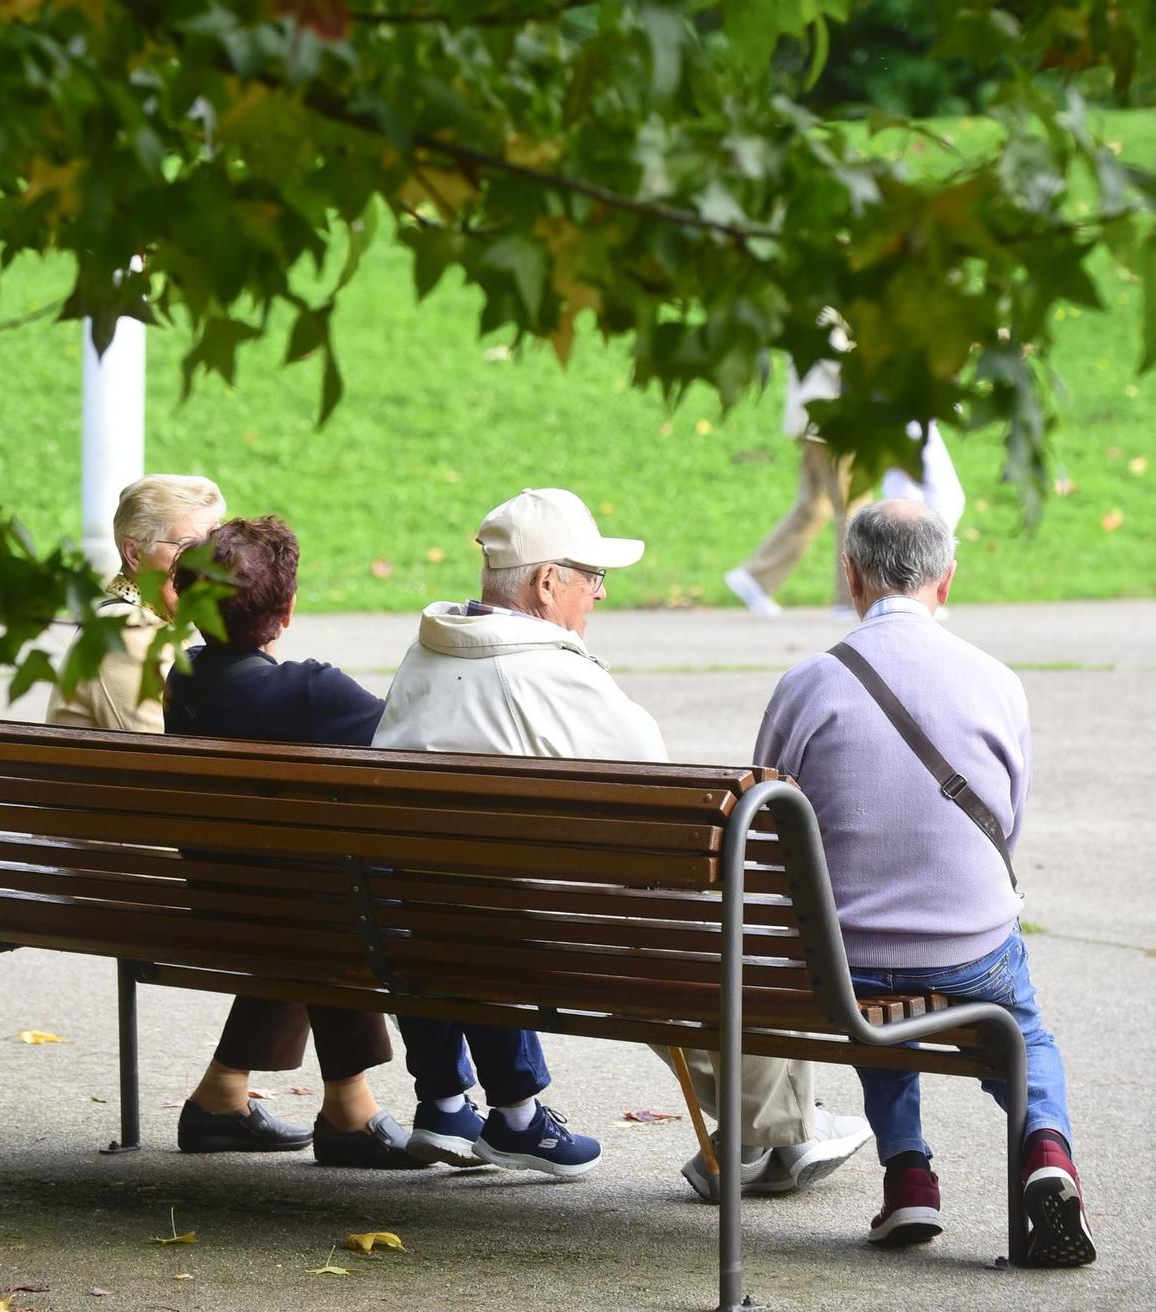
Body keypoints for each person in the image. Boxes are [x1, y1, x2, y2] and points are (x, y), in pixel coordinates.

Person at [375, 486, 870, 1197]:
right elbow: (663, 800)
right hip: (556, 946)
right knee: (719, 928)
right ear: (548, 583)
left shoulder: (423, 661)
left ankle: (773, 1130)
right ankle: (777, 1128)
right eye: (593, 578)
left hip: (426, 936)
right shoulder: (552, 675)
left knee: (664, 930)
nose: (600, 596)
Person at [754, 499, 1096, 1267]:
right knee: (1027, 1035)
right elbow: (1007, 825)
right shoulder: (996, 681)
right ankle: (1044, 1147)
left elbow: (767, 828)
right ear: (945, 579)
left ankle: (908, 1175)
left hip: (846, 960)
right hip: (968, 950)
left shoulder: (807, 683)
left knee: (869, 986)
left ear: (851, 576)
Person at [165, 515, 420, 1171]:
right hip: (298, 906)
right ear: (286, 611)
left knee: (304, 891)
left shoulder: (184, 680)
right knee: (335, 905)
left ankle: (227, 1096)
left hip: (215, 898)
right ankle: (350, 1110)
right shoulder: (311, 692)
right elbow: (414, 743)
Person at [47, 473, 224, 733]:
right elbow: (167, 758)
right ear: (134, 554)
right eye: (188, 547)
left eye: (214, 546)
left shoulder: (142, 625)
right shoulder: (127, 637)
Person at [725, 323, 868, 621]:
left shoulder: (817, 304)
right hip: (832, 422)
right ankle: (849, 598)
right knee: (853, 505)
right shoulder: (831, 307)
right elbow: (838, 357)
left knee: (815, 505)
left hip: (817, 421)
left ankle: (757, 576)